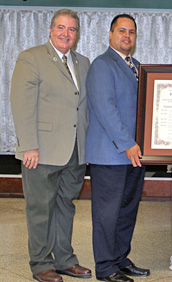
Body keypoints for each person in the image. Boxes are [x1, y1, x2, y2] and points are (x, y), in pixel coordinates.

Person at [9, 8, 92, 282]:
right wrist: (29, 145)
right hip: (41, 150)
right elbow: (22, 105)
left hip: (74, 151)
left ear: (77, 35)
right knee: (40, 208)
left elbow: (84, 108)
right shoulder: (31, 58)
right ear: (50, 29)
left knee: (65, 207)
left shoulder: (83, 62)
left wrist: (87, 147)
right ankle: (41, 263)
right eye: (61, 28)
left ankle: (65, 260)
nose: (66, 34)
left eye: (71, 29)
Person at [85, 14, 150, 282]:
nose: (127, 36)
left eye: (131, 32)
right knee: (106, 214)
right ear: (110, 35)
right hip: (111, 154)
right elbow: (105, 109)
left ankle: (121, 259)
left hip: (135, 155)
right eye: (121, 31)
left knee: (126, 211)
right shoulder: (102, 65)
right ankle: (105, 267)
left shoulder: (136, 66)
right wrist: (127, 144)